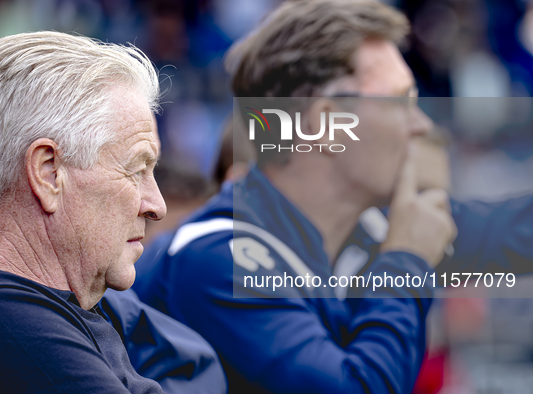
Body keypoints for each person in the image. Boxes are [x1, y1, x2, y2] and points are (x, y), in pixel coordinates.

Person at [132, 0, 533, 393]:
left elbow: (520, 232)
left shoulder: (372, 227)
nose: (420, 124)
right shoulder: (217, 258)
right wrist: (406, 260)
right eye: (400, 103)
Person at [0, 30, 194, 394]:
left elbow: (198, 364)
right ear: (48, 173)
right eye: (136, 169)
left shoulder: (19, 305)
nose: (156, 205)